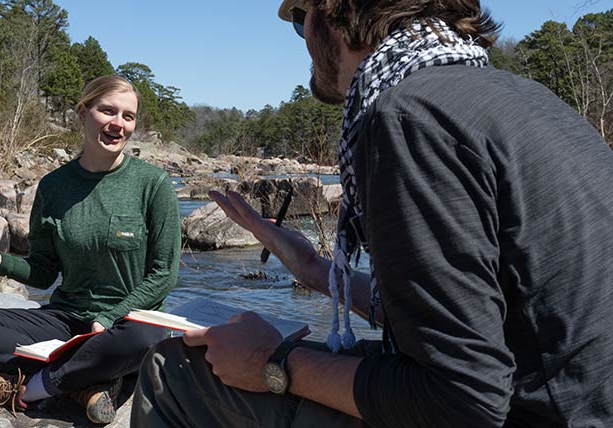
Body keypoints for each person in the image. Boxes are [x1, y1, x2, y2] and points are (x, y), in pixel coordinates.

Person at [130, 0, 613, 427]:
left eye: (300, 22)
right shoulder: (529, 100)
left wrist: (272, 363)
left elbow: (463, 401)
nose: (303, 40)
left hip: (526, 414)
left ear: (336, 13)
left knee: (174, 371)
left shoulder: (410, 114)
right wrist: (314, 270)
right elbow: (478, 325)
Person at [0, 75, 181, 425]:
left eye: (128, 116)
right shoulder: (53, 186)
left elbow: (164, 273)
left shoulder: (153, 184)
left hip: (130, 322)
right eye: (107, 111)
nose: (118, 124)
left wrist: (109, 318)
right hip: (67, 320)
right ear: (83, 112)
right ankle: (85, 382)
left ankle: (32, 387)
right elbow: (45, 270)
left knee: (144, 341)